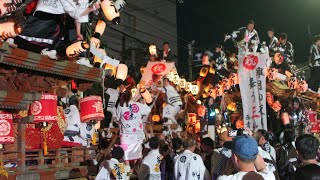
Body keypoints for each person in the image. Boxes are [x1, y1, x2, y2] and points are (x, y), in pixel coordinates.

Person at [116, 91, 151, 162]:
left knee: (126, 156)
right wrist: (144, 103)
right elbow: (148, 110)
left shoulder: (121, 106)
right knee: (137, 156)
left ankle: (128, 169)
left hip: (126, 135)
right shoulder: (137, 105)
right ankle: (136, 169)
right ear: (131, 96)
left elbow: (117, 118)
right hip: (137, 134)